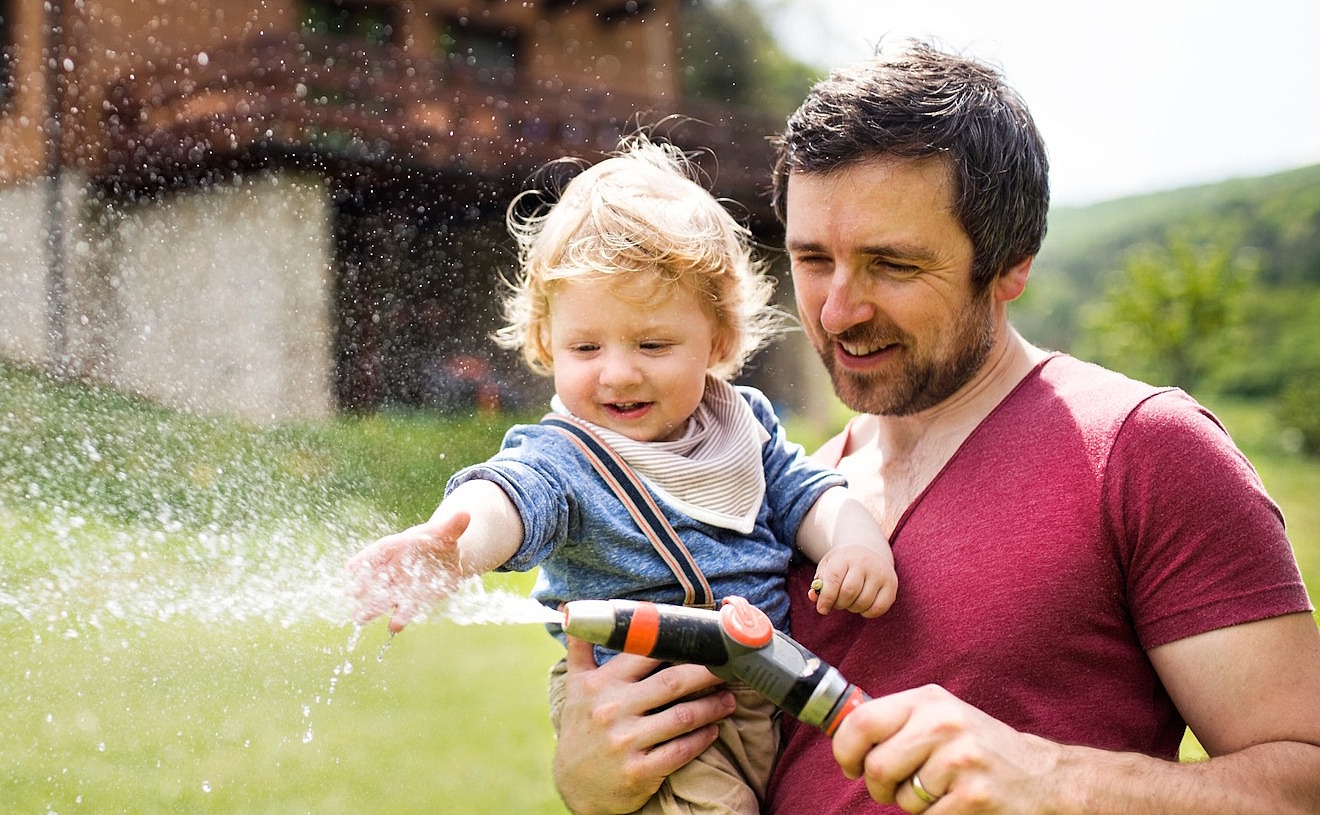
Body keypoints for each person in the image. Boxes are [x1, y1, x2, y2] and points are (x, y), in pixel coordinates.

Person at [550, 41, 1320, 815]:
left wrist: (1054, 779)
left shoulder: (1142, 450)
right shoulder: (785, 493)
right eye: (813, 259)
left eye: (892, 264)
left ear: (1011, 262)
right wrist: (594, 780)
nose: (837, 310)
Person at [348, 135, 898, 815]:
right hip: (650, 711)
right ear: (547, 343)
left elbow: (806, 495)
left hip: (765, 688)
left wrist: (855, 542)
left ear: (718, 340)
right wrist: (454, 547)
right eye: (586, 347)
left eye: (652, 343)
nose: (618, 372)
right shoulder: (564, 456)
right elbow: (508, 498)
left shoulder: (743, 423)